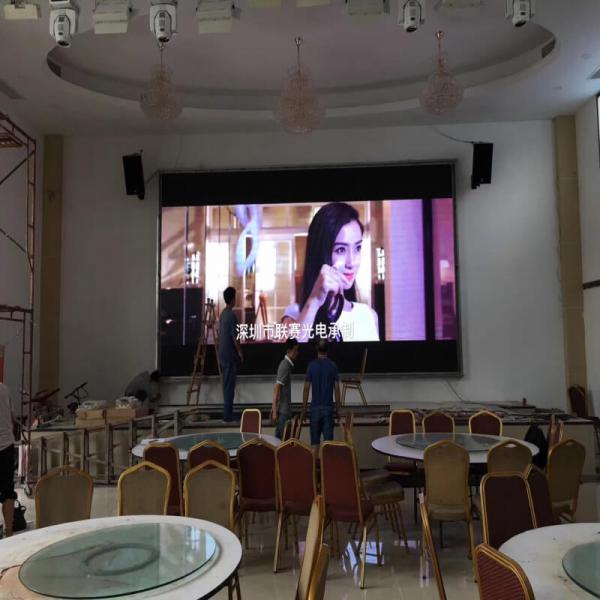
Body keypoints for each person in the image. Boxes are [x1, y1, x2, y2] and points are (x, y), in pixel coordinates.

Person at [283, 202, 379, 342]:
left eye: (357, 248)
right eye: (341, 250)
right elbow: (292, 354)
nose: (351, 262)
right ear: (320, 252)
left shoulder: (368, 316)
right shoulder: (295, 315)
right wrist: (314, 300)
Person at [302, 339, 341, 456]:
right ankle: (327, 468)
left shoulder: (311, 365)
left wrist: (304, 409)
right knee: (328, 447)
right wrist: (338, 410)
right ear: (328, 350)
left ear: (316, 349)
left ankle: (315, 468)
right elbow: (337, 389)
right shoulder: (333, 366)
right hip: (328, 410)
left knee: (314, 446)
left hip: (314, 410)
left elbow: (306, 388)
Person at [219, 286, 243, 422]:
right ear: (233, 299)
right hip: (230, 356)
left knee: (226, 384)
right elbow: (235, 337)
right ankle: (228, 415)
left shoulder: (223, 314)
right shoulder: (232, 315)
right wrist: (240, 352)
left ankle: (227, 413)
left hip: (223, 354)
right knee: (229, 387)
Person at [271, 338, 300, 439]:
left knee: (282, 443)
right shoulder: (285, 365)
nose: (297, 353)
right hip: (283, 412)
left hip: (285, 411)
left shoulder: (287, 365)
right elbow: (277, 388)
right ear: (289, 350)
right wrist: (274, 410)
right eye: (295, 350)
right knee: (282, 443)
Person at [0, 383, 16, 537]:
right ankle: (9, 533)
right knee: (8, 491)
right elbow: (12, 418)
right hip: (6, 446)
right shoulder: (4, 389)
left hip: (5, 444)